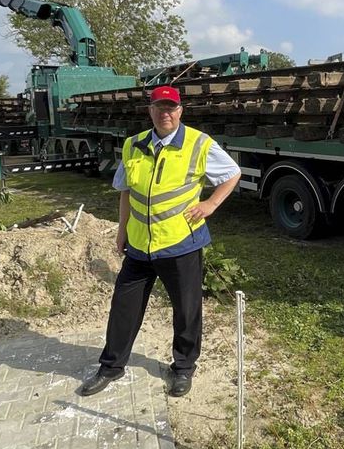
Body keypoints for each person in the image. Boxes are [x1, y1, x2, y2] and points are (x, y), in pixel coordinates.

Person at [79, 85, 241, 398]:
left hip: (181, 243)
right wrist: (121, 229)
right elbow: (126, 190)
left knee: (186, 310)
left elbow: (232, 173)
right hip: (139, 246)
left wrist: (210, 205)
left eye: (171, 107)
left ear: (180, 111)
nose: (165, 113)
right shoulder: (133, 145)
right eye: (159, 107)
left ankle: (183, 369)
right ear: (150, 110)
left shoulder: (198, 143)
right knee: (123, 307)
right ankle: (110, 367)